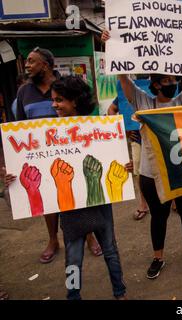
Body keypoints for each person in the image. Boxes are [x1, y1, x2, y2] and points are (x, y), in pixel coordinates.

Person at [5, 76, 128, 300]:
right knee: (73, 258)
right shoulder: (46, 132)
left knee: (110, 250)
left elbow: (113, 160)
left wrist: (123, 165)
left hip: (99, 201)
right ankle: (73, 295)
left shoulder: (99, 127)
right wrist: (13, 180)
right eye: (53, 100)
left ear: (75, 102)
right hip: (69, 207)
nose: (54, 105)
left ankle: (120, 292)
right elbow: (31, 164)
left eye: (59, 100)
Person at [102, 29, 182, 279]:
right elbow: (125, 81)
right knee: (158, 216)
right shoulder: (143, 102)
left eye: (174, 81)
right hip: (151, 172)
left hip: (181, 169)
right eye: (169, 81)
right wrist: (113, 47)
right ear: (157, 84)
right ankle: (157, 257)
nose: (174, 84)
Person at [15, 47, 101, 264]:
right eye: (27, 61)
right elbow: (17, 127)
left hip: (73, 150)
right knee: (49, 199)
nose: (27, 65)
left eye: (32, 61)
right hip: (40, 155)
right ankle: (53, 240)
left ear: (45, 64)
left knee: (79, 193)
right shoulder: (23, 92)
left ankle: (89, 235)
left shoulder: (67, 85)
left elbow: (86, 114)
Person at [107, 97, 150, 220]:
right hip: (137, 136)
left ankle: (173, 200)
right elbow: (111, 109)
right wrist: (120, 127)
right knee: (137, 169)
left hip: (156, 134)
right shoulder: (127, 92)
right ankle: (143, 204)